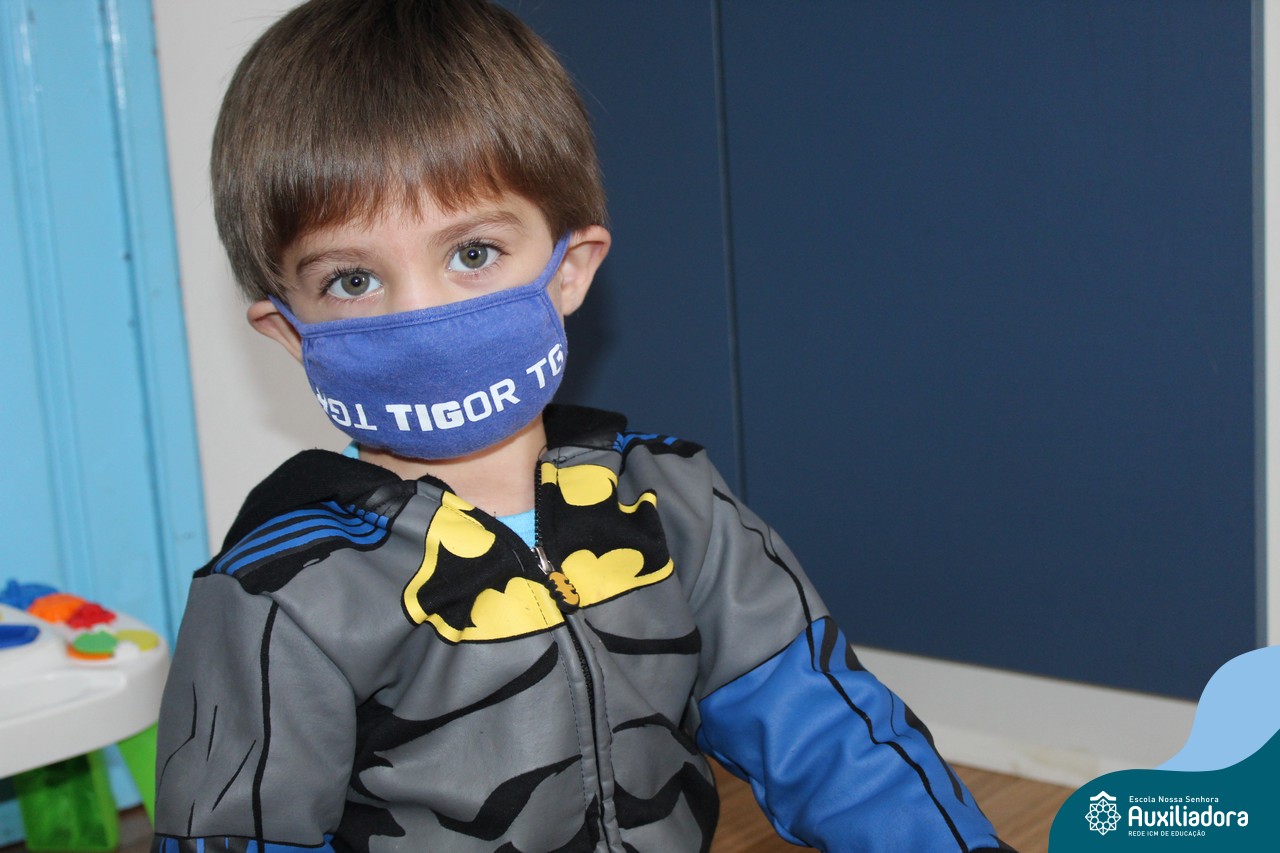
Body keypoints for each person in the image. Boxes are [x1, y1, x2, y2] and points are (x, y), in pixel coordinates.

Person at [151, 1, 1011, 850]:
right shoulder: (282, 591)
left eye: (473, 254)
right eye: (352, 280)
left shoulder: (675, 505)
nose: (421, 316)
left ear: (571, 270)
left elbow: (833, 735)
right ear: (290, 332)